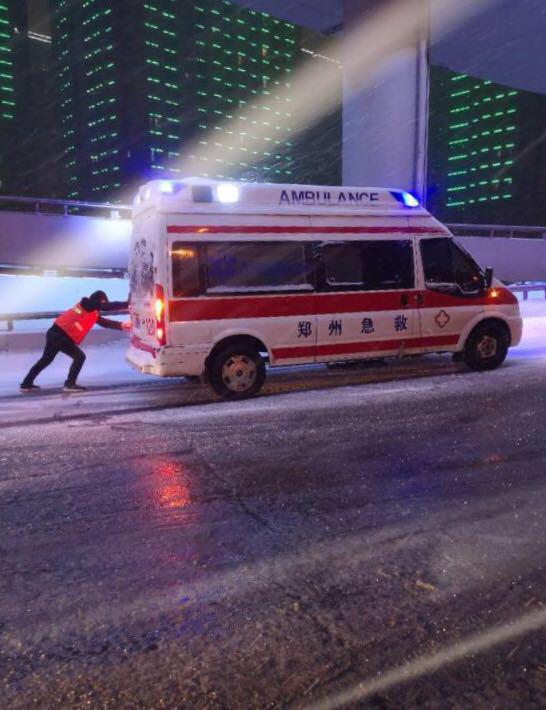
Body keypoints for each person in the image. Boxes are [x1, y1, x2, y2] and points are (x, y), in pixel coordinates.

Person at [20, 290, 130, 393]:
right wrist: (126, 304)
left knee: (45, 360)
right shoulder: (86, 303)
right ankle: (70, 384)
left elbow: (105, 323)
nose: (103, 305)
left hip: (55, 333)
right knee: (79, 357)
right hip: (60, 335)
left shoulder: (91, 311)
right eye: (103, 302)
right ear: (99, 300)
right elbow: (105, 306)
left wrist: (122, 325)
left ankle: (26, 384)